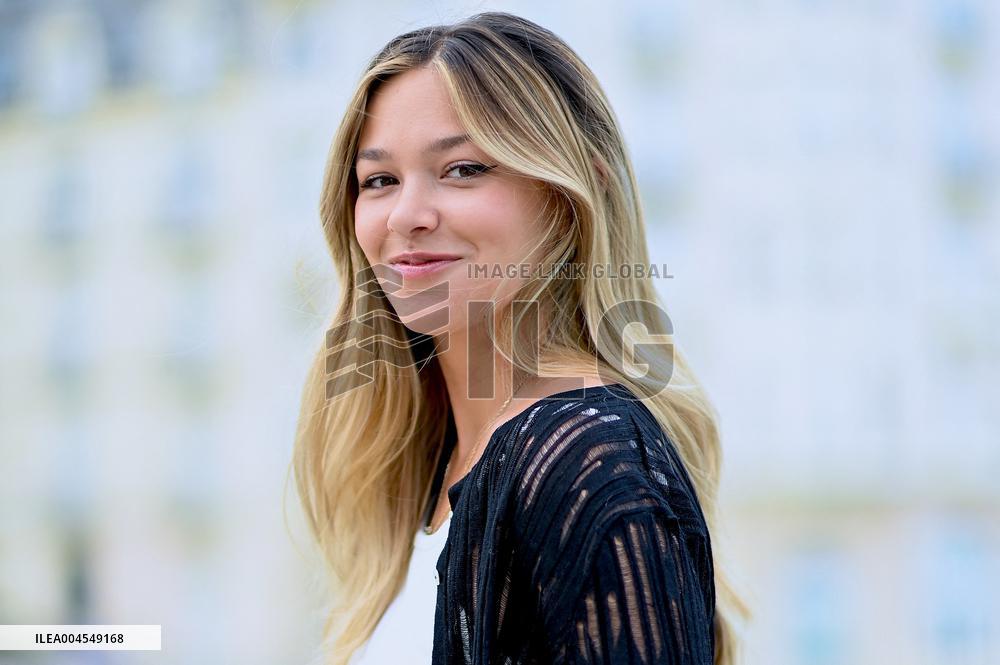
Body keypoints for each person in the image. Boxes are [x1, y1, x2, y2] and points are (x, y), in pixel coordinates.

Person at [293, 11, 749, 665]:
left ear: (570, 194)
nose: (407, 215)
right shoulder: (433, 469)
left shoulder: (588, 461)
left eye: (463, 169)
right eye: (379, 180)